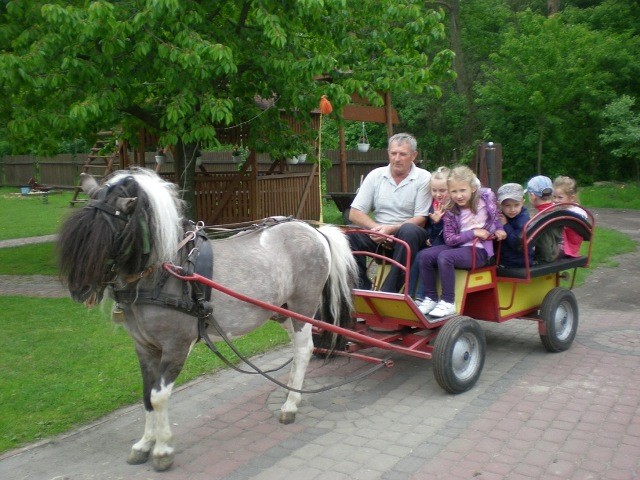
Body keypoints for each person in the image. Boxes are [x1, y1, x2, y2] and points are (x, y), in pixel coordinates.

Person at [417, 166, 506, 318]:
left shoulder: (485, 198)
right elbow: (450, 239)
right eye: (454, 191)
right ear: (449, 191)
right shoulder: (450, 210)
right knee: (424, 255)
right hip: (459, 245)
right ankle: (430, 297)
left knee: (445, 257)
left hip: (480, 251)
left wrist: (499, 228)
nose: (459, 196)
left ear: (472, 188)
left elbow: (494, 215)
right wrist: (473, 233)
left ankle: (448, 302)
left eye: (462, 190)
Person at [348, 133, 431, 292]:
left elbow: (421, 219)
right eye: (393, 153)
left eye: (403, 154)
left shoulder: (424, 178)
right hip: (380, 235)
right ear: (388, 153)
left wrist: (391, 229)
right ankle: (361, 290)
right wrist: (377, 229)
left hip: (410, 238)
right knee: (349, 237)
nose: (397, 158)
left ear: (414, 155)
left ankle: (389, 292)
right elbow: (354, 212)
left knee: (409, 231)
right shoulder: (375, 175)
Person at [409, 166, 450, 302]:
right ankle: (408, 293)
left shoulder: (451, 207)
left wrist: (437, 223)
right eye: (434, 190)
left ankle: (422, 295)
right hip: (434, 242)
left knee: (423, 256)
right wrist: (428, 236)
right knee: (416, 257)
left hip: (447, 243)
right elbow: (429, 225)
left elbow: (446, 230)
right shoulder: (433, 205)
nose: (438, 194)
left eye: (442, 190)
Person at [525, 175, 561, 264]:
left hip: (542, 259)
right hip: (556, 253)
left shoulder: (538, 218)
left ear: (532, 196)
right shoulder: (559, 211)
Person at [496, 182, 533, 267]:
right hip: (509, 257)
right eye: (507, 205)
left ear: (523, 202)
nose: (512, 209)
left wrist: (505, 225)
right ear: (500, 205)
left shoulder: (523, 220)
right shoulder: (502, 216)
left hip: (518, 261)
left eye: (516, 205)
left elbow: (518, 245)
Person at [553, 175, 588, 258]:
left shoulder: (577, 212)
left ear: (571, 198)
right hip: (559, 244)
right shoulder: (560, 210)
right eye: (554, 197)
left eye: (560, 197)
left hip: (567, 248)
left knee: (540, 254)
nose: (556, 200)